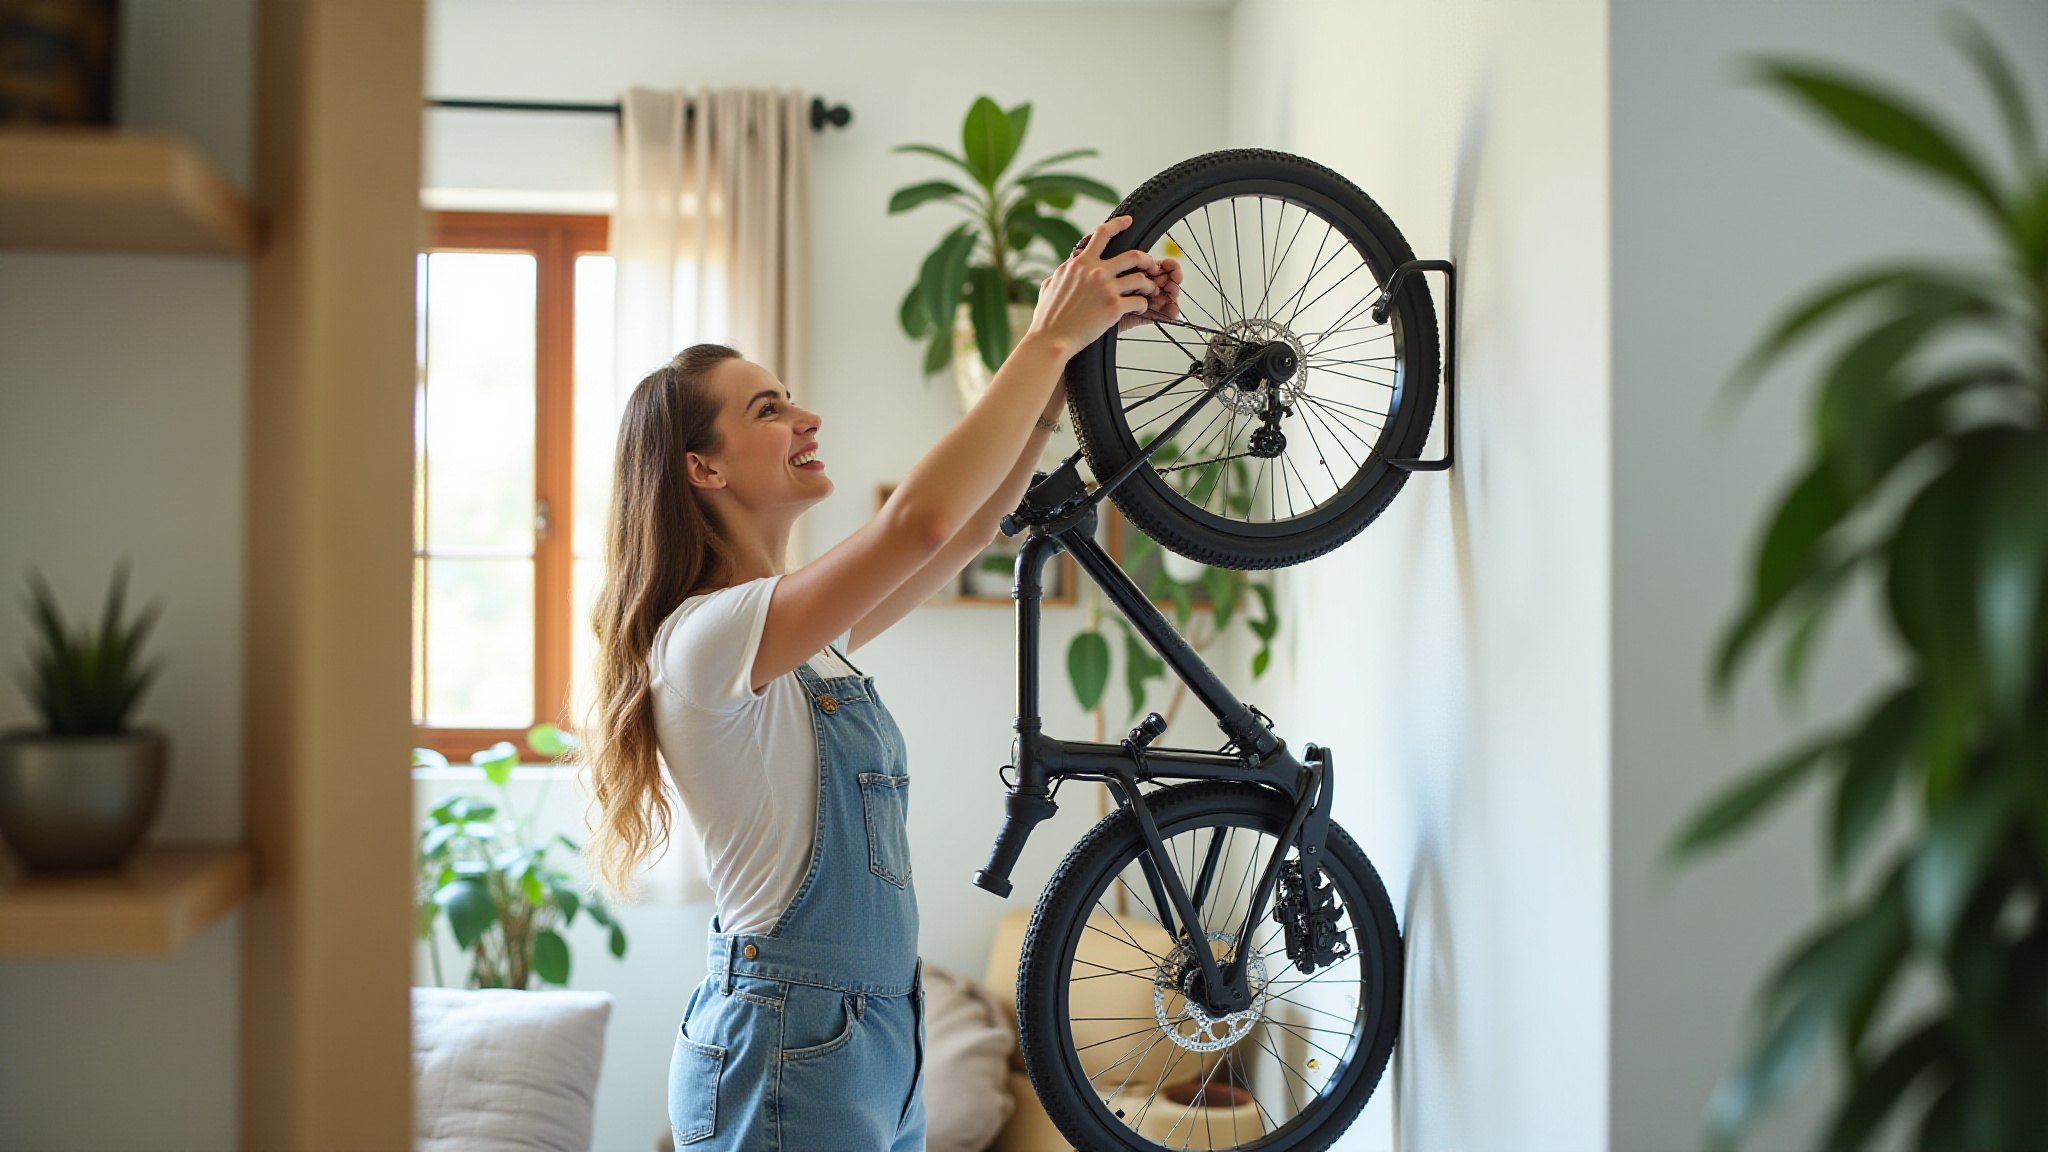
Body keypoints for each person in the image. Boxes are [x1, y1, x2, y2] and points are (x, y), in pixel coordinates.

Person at [581, 216, 1181, 1151]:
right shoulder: (707, 636)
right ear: (701, 467)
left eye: (790, 398)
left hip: (867, 1034)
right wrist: (1043, 335)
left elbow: (974, 527)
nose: (805, 417)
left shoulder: (798, 638)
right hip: (790, 1033)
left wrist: (1060, 383)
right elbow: (922, 524)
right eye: (768, 411)